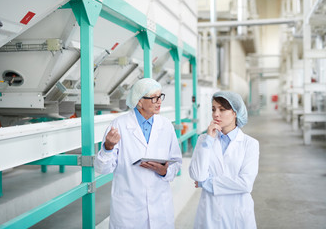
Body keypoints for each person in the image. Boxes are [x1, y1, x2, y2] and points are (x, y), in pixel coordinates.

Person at [95, 78, 182, 229]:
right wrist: (108, 147)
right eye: (154, 98)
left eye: (160, 97)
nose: (159, 102)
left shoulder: (165, 125)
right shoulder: (119, 125)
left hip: (160, 204)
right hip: (129, 209)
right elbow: (102, 169)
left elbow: (176, 161)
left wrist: (164, 171)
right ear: (139, 101)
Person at [189, 91, 259, 229]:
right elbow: (197, 175)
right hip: (210, 211)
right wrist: (209, 139)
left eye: (222, 109)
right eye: (213, 109)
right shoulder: (204, 140)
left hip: (237, 212)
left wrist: (207, 183)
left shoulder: (249, 144)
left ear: (235, 113)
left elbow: (245, 183)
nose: (216, 114)